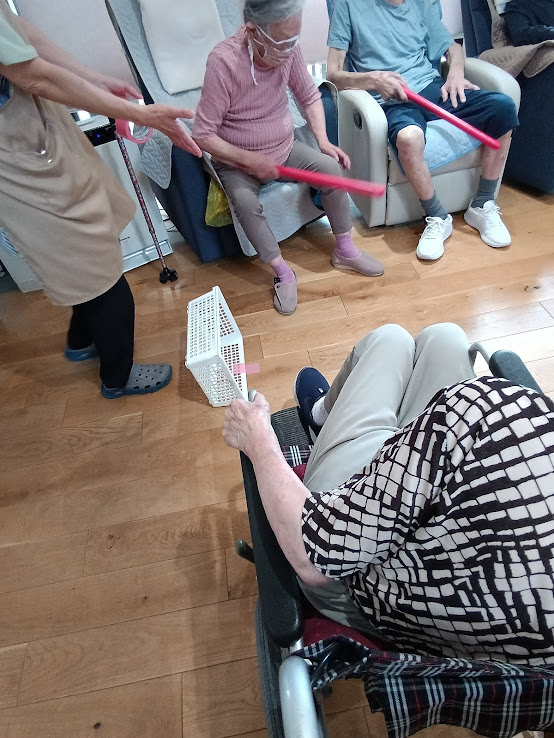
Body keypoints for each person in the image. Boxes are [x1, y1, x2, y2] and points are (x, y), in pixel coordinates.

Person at [223, 323, 554, 665]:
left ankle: (322, 415)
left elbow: (314, 556)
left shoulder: (474, 412)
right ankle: (339, 417)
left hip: (365, 581)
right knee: (446, 339)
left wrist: (258, 440)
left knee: (390, 340)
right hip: (452, 521)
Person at [0, 4, 202, 398]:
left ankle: (81, 341)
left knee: (84, 262)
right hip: (19, 151)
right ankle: (117, 377)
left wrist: (94, 79)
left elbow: (16, 29)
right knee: (102, 279)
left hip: (38, 132)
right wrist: (138, 113)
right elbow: (34, 75)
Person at [192, 0, 384, 316]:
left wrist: (323, 140)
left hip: (284, 148)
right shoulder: (223, 62)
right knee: (245, 203)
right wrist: (249, 160)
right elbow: (202, 135)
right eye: (282, 42)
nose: (289, 50)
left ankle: (345, 250)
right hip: (238, 162)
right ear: (253, 31)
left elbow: (308, 96)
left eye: (294, 40)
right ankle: (283, 272)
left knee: (331, 169)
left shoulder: (288, 49)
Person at [326, 0, 520, 261]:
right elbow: (333, 73)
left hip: (431, 88)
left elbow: (452, 47)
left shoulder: (420, 2)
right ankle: (438, 217)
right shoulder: (348, 4)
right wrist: (374, 79)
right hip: (392, 100)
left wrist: (455, 73)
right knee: (408, 138)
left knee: (503, 109)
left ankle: (482, 203)